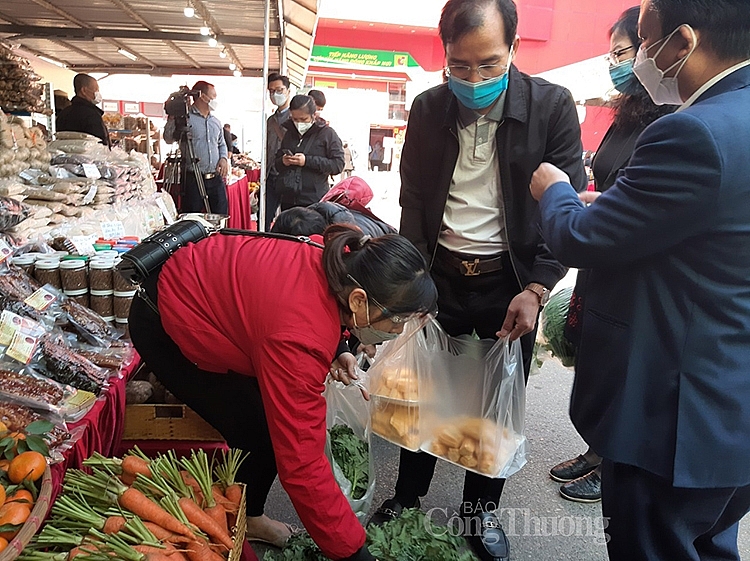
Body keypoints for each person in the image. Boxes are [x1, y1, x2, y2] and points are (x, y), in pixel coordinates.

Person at [529, 0, 750, 559]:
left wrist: (553, 190)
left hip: (675, 414)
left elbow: (579, 239)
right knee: (710, 544)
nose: (639, 59)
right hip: (730, 411)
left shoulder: (695, 132)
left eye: (644, 44)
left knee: (651, 545)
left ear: (683, 43)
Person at [370, 1, 587, 560]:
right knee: (424, 390)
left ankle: (479, 511)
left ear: (513, 48)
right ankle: (407, 494)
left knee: (492, 404)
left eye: (489, 65)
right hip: (438, 275)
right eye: (460, 66)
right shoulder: (426, 108)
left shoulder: (552, 107)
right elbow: (414, 199)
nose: (474, 79)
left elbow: (563, 210)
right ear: (444, 55)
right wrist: (411, 279)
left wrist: (538, 289)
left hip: (507, 281)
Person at [128, 224, 437, 561]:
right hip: (164, 316)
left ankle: (251, 515)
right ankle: (241, 522)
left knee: (266, 426)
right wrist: (354, 553)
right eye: (397, 320)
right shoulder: (298, 339)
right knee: (262, 433)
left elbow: (315, 308)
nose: (397, 330)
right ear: (359, 300)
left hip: (207, 293)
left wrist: (339, 348)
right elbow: (302, 464)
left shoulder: (338, 261)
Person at [548, 5, 675, 505]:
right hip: (603, 255)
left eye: (623, 51)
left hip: (626, 262)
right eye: (613, 53)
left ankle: (613, 463)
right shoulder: (628, 112)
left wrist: (558, 194)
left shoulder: (675, 121)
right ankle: (597, 449)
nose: (616, 62)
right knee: (597, 361)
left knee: (626, 371)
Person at [164, 81, 229, 214]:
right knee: (193, 219)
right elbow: (168, 138)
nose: (215, 100)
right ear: (202, 96)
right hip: (193, 178)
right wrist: (172, 118)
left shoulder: (215, 121)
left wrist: (223, 158)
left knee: (221, 215)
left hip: (215, 179)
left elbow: (221, 143)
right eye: (213, 96)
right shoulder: (185, 119)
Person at [275, 95, 344, 210]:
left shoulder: (327, 134)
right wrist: (283, 161)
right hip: (288, 199)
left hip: (314, 201)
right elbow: (277, 163)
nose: (299, 123)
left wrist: (307, 161)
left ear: (313, 115)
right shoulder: (289, 133)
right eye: (295, 119)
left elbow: (338, 164)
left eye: (303, 119)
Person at [264, 72, 291, 230]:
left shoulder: (296, 118)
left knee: (288, 219)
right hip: (271, 176)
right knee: (265, 215)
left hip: (288, 177)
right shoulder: (270, 120)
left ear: (288, 90)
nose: (275, 94)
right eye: (272, 91)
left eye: (279, 90)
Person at [56, 74, 110, 147]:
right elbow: (101, 145)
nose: (98, 93)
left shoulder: (63, 114)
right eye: (96, 89)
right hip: (91, 157)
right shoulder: (92, 115)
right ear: (84, 90)